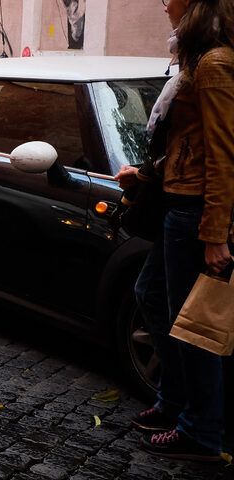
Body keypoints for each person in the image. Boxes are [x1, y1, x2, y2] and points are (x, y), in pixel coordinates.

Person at [114, 0, 234, 462]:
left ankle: (200, 431)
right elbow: (188, 144)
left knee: (194, 326)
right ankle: (176, 401)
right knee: (153, 296)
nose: (164, 3)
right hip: (179, 202)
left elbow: (224, 154)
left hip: (194, 213)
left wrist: (216, 233)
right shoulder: (197, 59)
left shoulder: (216, 63)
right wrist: (144, 176)